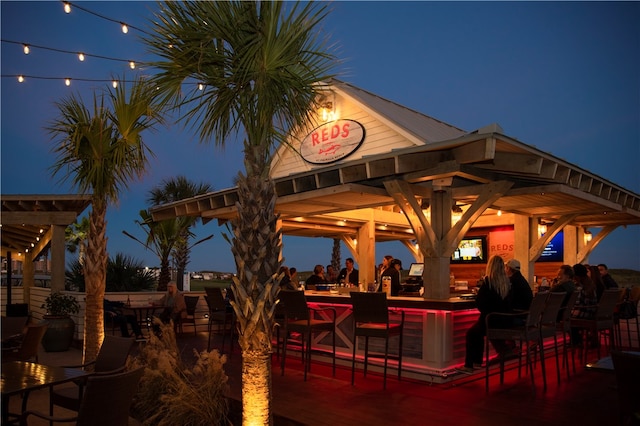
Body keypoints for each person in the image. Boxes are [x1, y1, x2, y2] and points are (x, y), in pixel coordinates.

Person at [460, 255, 513, 373]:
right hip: (504, 321)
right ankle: (477, 362)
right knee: (476, 332)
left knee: (471, 333)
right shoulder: (507, 282)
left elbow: (480, 303)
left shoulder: (488, 281)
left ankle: (469, 365)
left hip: (491, 321)